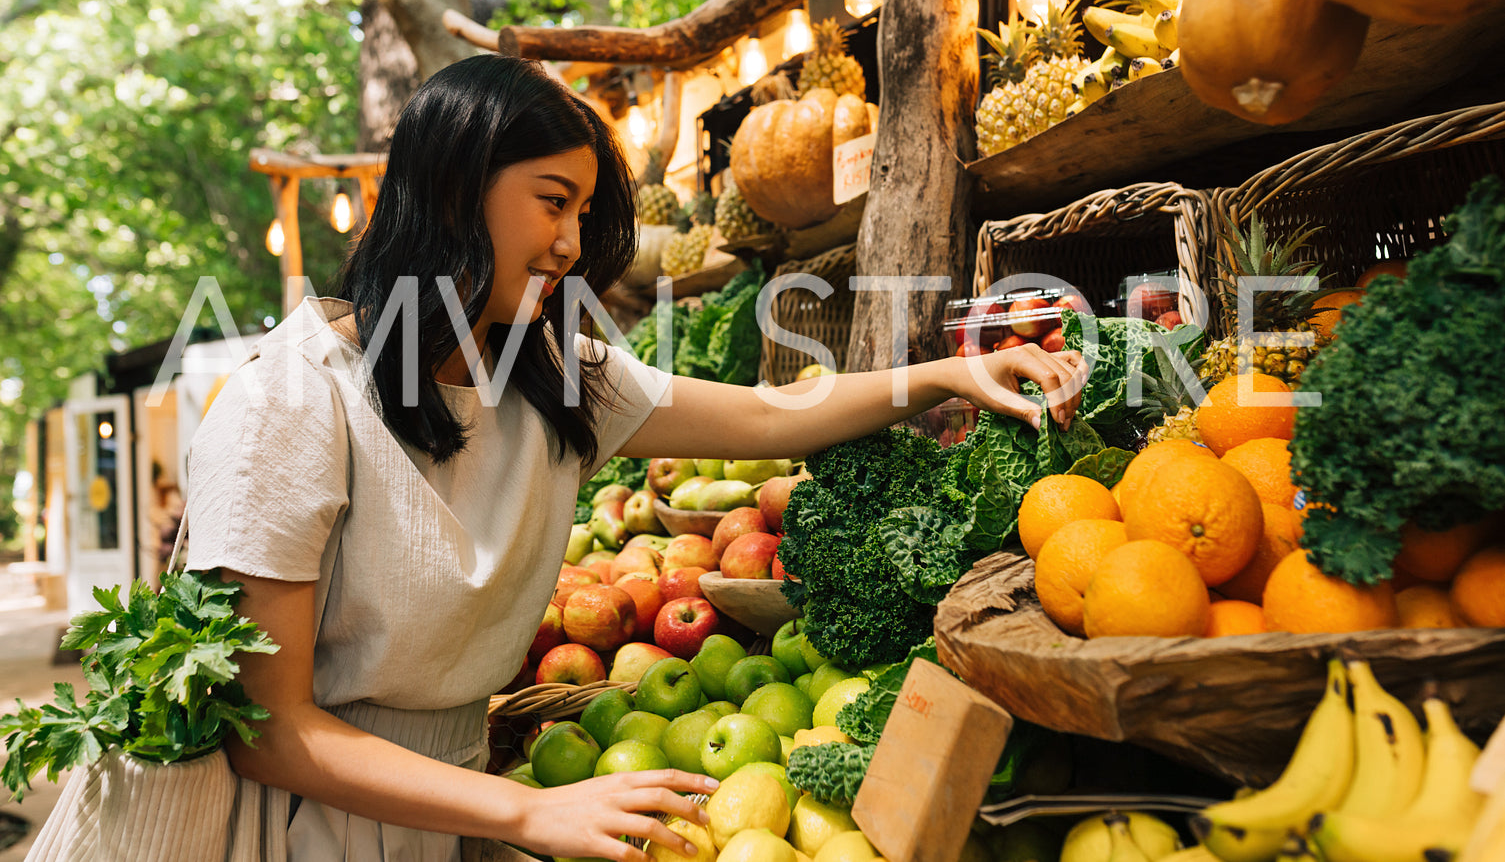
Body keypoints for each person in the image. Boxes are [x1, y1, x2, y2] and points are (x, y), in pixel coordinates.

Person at [182, 55, 1085, 862]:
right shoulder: (292, 401)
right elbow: (270, 732)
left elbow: (772, 416)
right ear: (455, 191)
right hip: (302, 825)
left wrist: (952, 373)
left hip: (464, 808)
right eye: (550, 201)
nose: (573, 243)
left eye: (581, 210)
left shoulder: (547, 376)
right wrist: (523, 813)